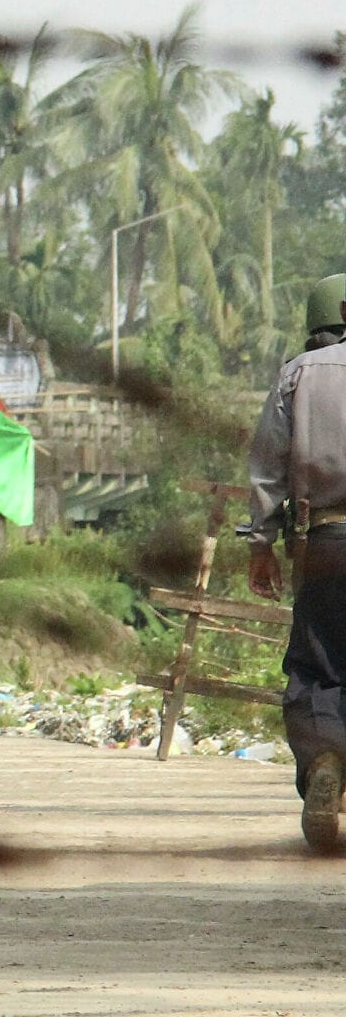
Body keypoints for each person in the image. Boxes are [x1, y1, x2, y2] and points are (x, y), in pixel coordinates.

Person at [246, 272, 346, 853]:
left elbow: (267, 467)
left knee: (317, 667)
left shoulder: (298, 375)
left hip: (326, 543)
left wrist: (260, 543)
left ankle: (324, 762)